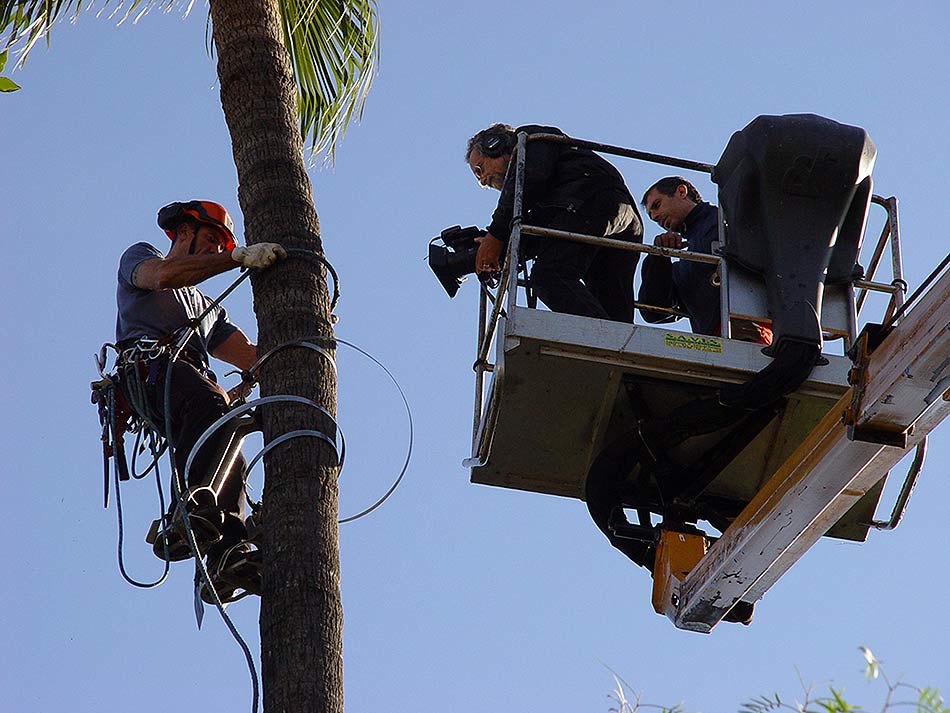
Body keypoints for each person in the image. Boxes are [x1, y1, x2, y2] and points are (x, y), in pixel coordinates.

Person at [115, 199, 285, 601]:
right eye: (210, 240)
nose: (214, 249)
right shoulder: (141, 257)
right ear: (184, 233)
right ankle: (188, 509)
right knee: (214, 408)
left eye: (221, 244)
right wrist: (236, 258)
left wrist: (306, 335)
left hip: (187, 384)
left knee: (233, 451)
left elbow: (251, 356)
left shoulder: (207, 309)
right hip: (152, 369)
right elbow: (163, 277)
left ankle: (227, 556)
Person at [466, 123, 643, 322]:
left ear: (494, 145)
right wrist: (501, 248)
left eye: (480, 170)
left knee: (549, 276)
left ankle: (606, 343)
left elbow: (529, 178)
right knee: (608, 302)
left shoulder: (530, 139)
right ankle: (616, 342)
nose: (482, 181)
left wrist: (496, 235)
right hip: (615, 215)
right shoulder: (546, 191)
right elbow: (543, 229)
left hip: (590, 199)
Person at [637, 177, 772, 344]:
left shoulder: (726, 220)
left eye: (657, 205)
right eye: (652, 217)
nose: (656, 216)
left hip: (750, 331)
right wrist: (658, 257)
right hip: (711, 344)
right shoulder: (683, 266)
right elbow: (654, 311)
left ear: (681, 192)